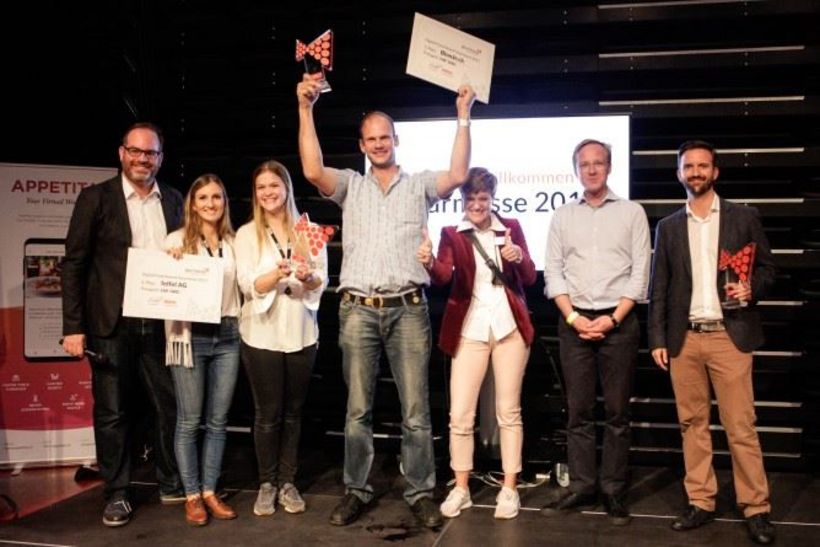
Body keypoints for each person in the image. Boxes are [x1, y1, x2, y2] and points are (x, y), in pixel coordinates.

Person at [296, 73, 476, 528]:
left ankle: (420, 492)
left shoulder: (418, 186)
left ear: (397, 140)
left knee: (416, 411)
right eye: (371, 139)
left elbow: (458, 175)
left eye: (385, 137)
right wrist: (305, 108)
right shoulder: (350, 186)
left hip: (408, 310)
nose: (379, 144)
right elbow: (313, 171)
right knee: (358, 410)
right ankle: (356, 489)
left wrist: (463, 117)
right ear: (362, 145)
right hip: (358, 310)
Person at [648, 140, 776, 545]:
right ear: (679, 174)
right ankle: (701, 501)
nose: (696, 172)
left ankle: (755, 507)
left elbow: (769, 270)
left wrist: (751, 289)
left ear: (715, 172)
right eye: (689, 167)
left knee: (741, 427)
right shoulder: (669, 226)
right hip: (684, 339)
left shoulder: (744, 217)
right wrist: (657, 338)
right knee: (692, 426)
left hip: (729, 336)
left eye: (703, 166)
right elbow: (659, 287)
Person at [61, 122, 184, 527]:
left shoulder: (174, 199)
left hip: (162, 322)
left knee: (168, 405)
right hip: (110, 324)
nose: (142, 159)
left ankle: (170, 482)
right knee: (112, 411)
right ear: (121, 153)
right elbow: (74, 264)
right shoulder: (95, 198)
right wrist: (73, 326)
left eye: (150, 153)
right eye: (136, 151)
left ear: (160, 158)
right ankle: (117, 492)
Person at [541, 138, 650, 526]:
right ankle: (583, 485)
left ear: (609, 167)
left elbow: (640, 274)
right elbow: (553, 272)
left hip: (619, 324)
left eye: (598, 163)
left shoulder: (632, 212)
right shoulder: (562, 216)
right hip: (574, 324)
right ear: (576, 170)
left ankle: (613, 489)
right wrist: (573, 319)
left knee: (618, 412)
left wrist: (613, 319)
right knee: (579, 411)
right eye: (584, 164)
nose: (591, 169)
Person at [418, 167, 537, 520]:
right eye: (470, 198)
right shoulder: (451, 234)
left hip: (509, 328)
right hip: (470, 329)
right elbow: (444, 276)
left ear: (492, 198)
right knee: (460, 414)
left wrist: (518, 258)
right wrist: (429, 262)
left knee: (508, 412)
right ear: (463, 199)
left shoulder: (511, 228)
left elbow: (529, 277)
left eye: (483, 198)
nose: (477, 205)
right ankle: (461, 488)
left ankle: (509, 488)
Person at [234, 160, 327, 517]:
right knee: (267, 414)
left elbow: (321, 281)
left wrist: (307, 276)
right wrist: (277, 274)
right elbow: (248, 285)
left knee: (293, 413)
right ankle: (267, 483)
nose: (268, 192)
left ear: (286, 187)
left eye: (274, 185)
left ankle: (288, 482)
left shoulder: (309, 230)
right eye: (261, 187)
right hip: (261, 334)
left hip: (301, 332)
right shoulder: (247, 234)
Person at [163, 174, 240, 526]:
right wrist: (171, 263)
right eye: (203, 198)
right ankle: (192, 495)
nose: (211, 203)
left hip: (228, 335)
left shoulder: (233, 242)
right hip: (189, 336)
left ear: (224, 202)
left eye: (217, 197)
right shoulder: (175, 241)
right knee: (190, 420)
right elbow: (161, 289)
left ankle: (210, 490)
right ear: (192, 205)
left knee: (218, 421)